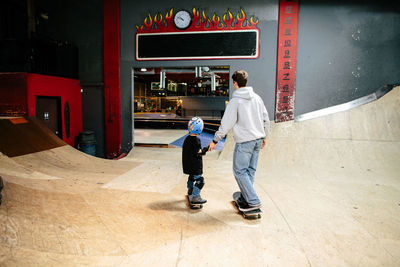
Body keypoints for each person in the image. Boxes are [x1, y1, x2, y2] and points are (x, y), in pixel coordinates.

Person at [208, 70, 270, 212]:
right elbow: (266, 119)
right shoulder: (257, 98)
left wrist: (215, 140)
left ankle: (253, 201)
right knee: (250, 171)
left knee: (240, 171)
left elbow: (226, 124)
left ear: (235, 83)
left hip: (245, 142)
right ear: (246, 82)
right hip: (258, 140)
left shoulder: (235, 101)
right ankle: (245, 197)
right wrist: (264, 136)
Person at [182, 117, 208, 204]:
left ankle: (190, 190)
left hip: (188, 165)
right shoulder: (196, 141)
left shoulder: (187, 139)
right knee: (200, 180)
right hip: (195, 166)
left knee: (191, 177)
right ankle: (195, 197)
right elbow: (199, 152)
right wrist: (205, 149)